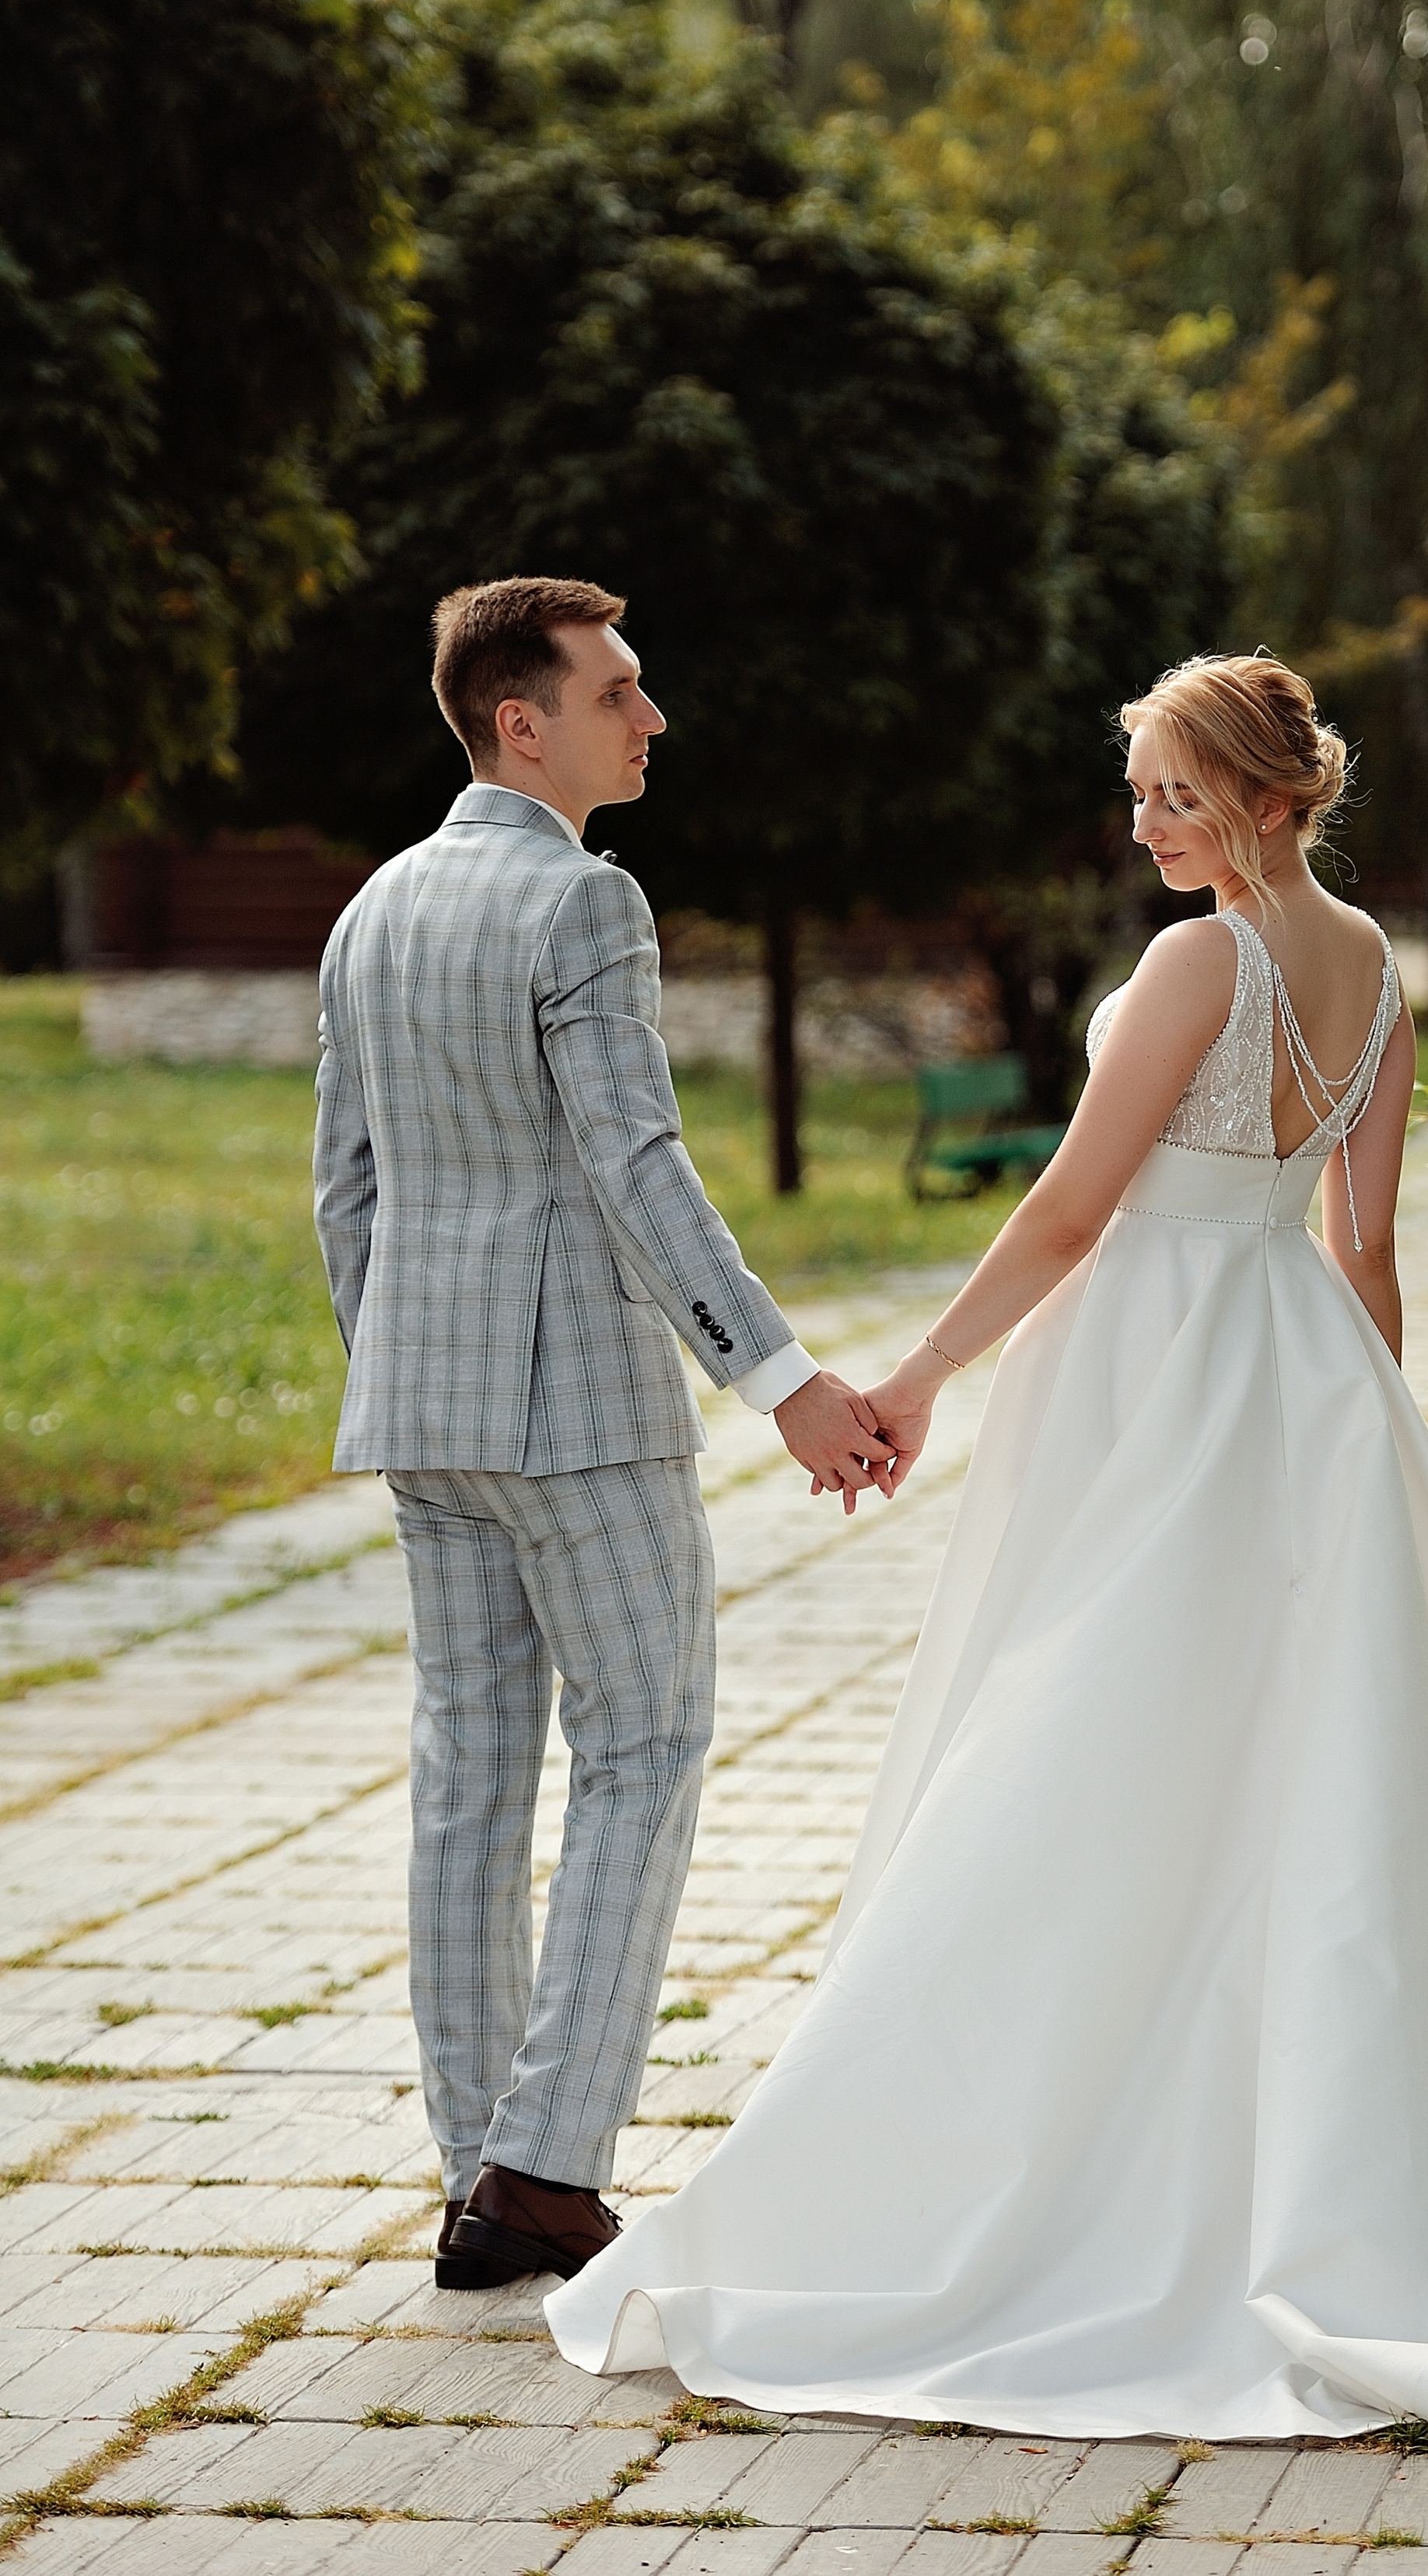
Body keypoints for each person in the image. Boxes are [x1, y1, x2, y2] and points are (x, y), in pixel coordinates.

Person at [545, 649, 1428, 2442]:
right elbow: (1360, 1239)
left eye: (1173, 792)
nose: (1143, 820)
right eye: (1139, 786)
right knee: (1292, 1765)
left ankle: (1083, 2161)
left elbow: (1075, 1209)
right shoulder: (1368, 962)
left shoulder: (1200, 959)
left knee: (1099, 1743)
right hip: (1299, 1372)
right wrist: (1365, 1435)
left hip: (1159, 1365)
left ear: (1268, 799)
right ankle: (1293, 2135)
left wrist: (910, 1376)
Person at [313, 576, 899, 2296]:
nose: (650, 718)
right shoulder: (582, 901)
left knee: (468, 1776)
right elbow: (637, 1163)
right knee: (642, 1751)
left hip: (422, 1408)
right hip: (574, 1413)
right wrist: (781, 1377)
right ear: (522, 721)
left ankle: (472, 2168)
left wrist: (404, 1361)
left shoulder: (374, 908)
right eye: (619, 692)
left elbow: (344, 1188)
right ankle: (547, 2170)